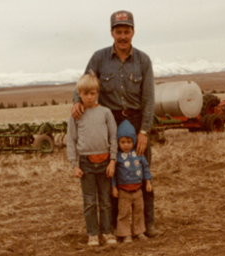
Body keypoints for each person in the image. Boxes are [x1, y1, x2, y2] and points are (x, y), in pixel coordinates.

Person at [71, 10, 162, 237]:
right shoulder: (99, 58)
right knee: (110, 173)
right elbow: (83, 83)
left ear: (133, 32)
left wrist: (143, 131)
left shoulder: (143, 60)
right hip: (109, 122)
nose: (123, 36)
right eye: (118, 32)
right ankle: (113, 228)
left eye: (127, 31)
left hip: (136, 121)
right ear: (112, 33)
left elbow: (149, 99)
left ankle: (147, 225)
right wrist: (76, 102)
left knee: (141, 169)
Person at [67, 72, 118, 246]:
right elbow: (71, 141)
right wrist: (74, 165)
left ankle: (107, 232)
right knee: (89, 201)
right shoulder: (76, 116)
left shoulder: (106, 113)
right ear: (79, 94)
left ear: (97, 93)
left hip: (105, 163)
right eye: (85, 93)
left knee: (105, 200)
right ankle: (92, 234)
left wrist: (112, 161)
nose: (89, 97)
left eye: (93, 93)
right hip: (86, 165)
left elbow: (113, 138)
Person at [112, 120, 152, 243]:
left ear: (134, 141)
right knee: (123, 213)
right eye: (122, 142)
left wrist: (148, 182)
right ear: (118, 142)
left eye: (129, 142)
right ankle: (125, 234)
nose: (126, 145)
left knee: (138, 212)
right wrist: (114, 187)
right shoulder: (117, 157)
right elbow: (112, 174)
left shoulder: (139, 154)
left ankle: (139, 232)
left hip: (138, 190)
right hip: (124, 192)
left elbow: (145, 167)